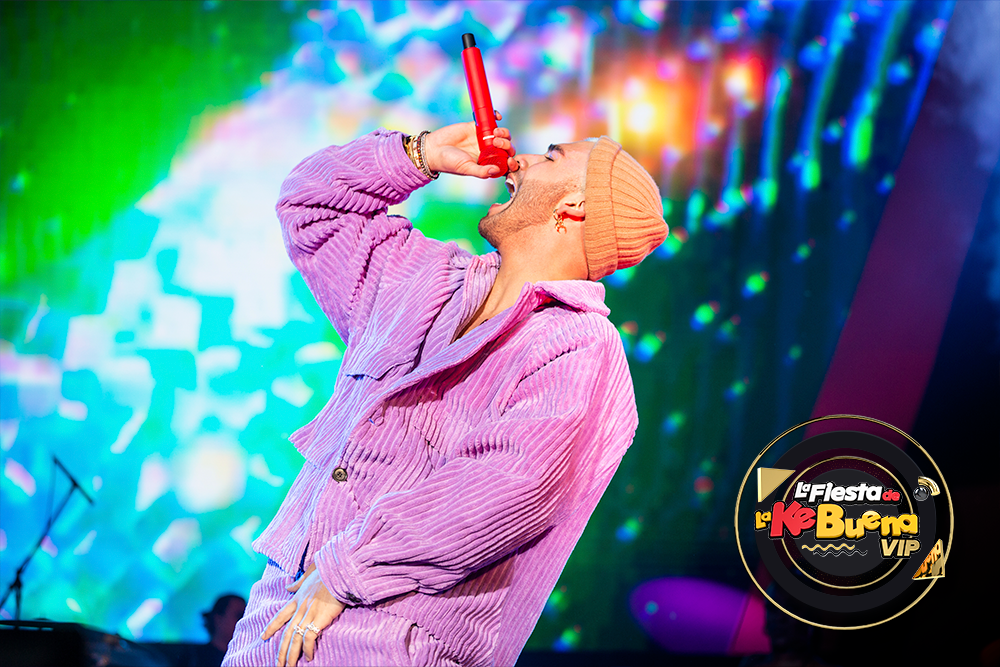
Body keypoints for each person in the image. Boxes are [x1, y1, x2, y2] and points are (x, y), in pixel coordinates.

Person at [222, 116, 666, 667]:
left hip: (395, 637)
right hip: (277, 612)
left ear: (572, 206)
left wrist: (345, 570)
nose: (519, 161)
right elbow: (311, 205)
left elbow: (507, 487)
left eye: (550, 157)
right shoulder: (423, 279)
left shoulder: (578, 343)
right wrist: (419, 153)